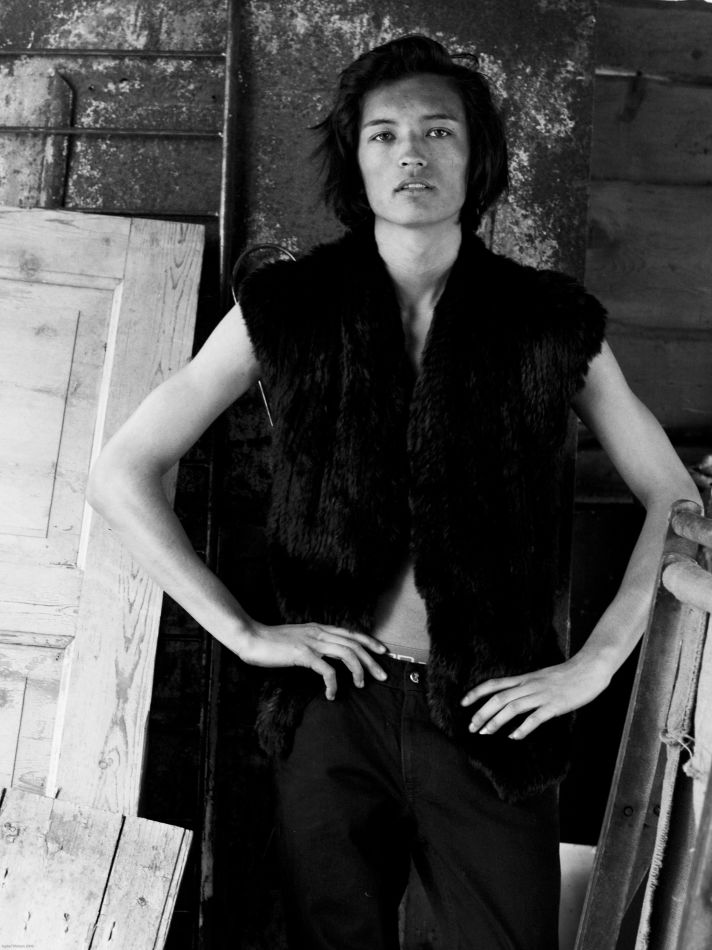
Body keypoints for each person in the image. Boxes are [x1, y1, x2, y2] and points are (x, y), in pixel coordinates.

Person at [87, 34, 700, 950]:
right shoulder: (287, 306)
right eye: (385, 135)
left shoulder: (548, 319)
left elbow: (675, 500)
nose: (412, 153)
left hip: (494, 707)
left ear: (476, 155)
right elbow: (120, 471)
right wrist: (244, 633)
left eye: (438, 131)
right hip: (332, 703)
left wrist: (598, 662)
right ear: (357, 159)